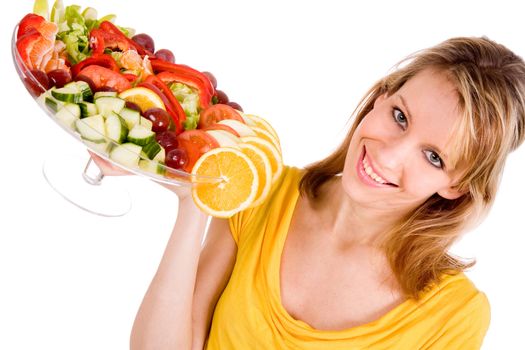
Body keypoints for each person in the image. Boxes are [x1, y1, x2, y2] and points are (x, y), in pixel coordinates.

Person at [94, 36, 525, 349]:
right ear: (380, 97)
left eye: (433, 157)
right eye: (399, 116)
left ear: (457, 186)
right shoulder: (260, 193)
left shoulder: (454, 317)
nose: (389, 157)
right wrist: (194, 201)